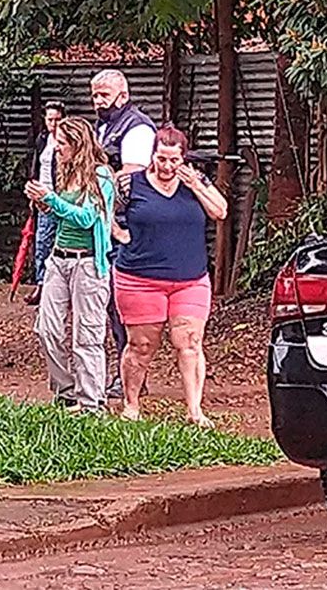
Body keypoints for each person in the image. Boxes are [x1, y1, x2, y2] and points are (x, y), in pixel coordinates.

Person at [113, 126, 228, 427]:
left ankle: (194, 410)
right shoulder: (130, 185)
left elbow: (221, 211)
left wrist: (197, 186)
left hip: (190, 278)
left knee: (189, 341)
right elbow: (103, 209)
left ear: (183, 159)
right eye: (161, 159)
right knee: (141, 346)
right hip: (139, 278)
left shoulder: (196, 181)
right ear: (152, 156)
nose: (166, 167)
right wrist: (119, 234)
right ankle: (131, 404)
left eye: (173, 160)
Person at [25, 117, 116, 413]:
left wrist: (52, 198)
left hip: (87, 263)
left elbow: (87, 218)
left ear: (78, 144)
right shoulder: (66, 171)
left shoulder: (100, 176)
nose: (57, 148)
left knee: (86, 336)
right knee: (47, 328)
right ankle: (65, 391)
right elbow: (63, 216)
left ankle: (92, 403)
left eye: (62, 143)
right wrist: (45, 204)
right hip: (59, 258)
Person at [91, 69, 158, 399]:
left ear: (123, 95)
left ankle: (133, 377)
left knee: (125, 303)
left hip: (128, 225)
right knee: (108, 304)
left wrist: (94, 186)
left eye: (104, 94)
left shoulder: (137, 127)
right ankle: (120, 374)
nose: (98, 101)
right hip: (103, 221)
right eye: (94, 95)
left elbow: (130, 177)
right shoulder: (101, 127)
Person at [24, 100, 65, 305]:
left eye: (57, 119)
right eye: (50, 119)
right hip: (42, 198)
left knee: (61, 243)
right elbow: (35, 166)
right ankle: (41, 284)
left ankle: (58, 288)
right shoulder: (42, 140)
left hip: (61, 199)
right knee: (42, 243)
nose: (54, 124)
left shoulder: (67, 142)